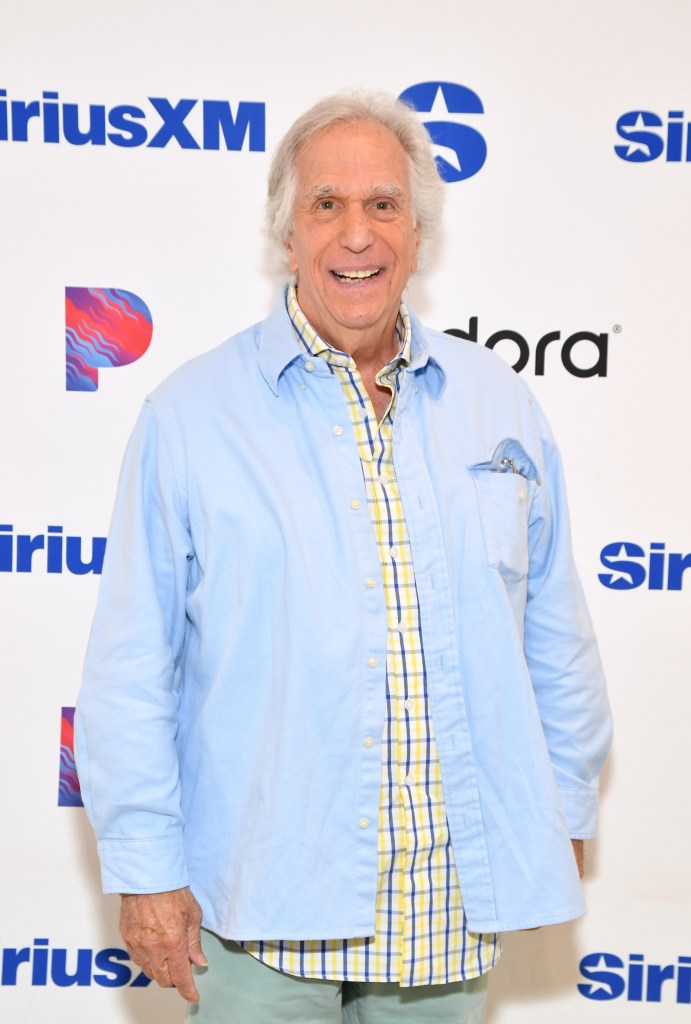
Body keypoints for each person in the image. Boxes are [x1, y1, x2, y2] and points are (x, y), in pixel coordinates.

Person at [75, 90, 612, 1024]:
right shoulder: (191, 417)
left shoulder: (499, 405)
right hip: (258, 912)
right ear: (287, 235)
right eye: (326, 205)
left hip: (445, 913)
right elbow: (130, 671)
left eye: (382, 205)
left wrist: (559, 810)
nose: (355, 234)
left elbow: (556, 636)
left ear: (418, 233)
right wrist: (145, 870)